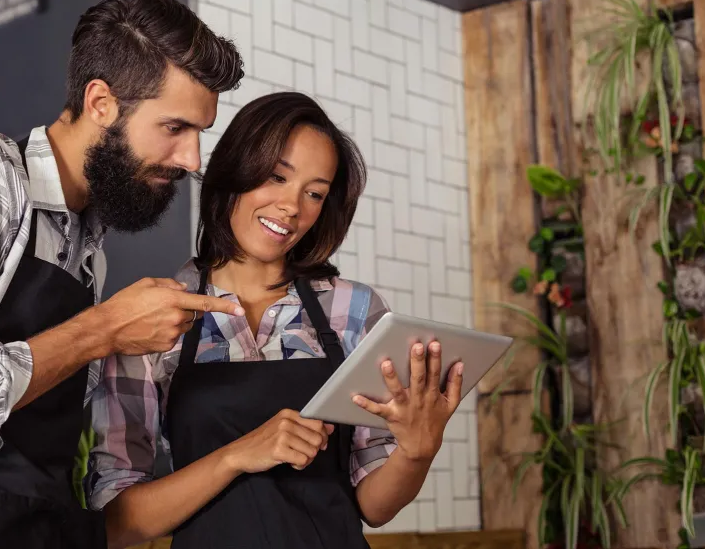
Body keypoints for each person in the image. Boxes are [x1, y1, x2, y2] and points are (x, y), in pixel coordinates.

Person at [0, 0, 245, 549]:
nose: (192, 159)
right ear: (101, 102)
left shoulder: (86, 242)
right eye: (174, 127)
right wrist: (103, 329)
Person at [85, 91, 466, 549]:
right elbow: (119, 521)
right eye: (276, 177)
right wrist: (237, 457)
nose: (292, 207)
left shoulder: (354, 313)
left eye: (314, 193)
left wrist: (417, 451)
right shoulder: (153, 318)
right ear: (234, 172)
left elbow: (374, 507)